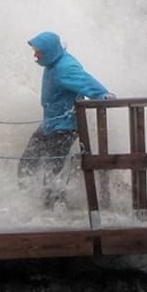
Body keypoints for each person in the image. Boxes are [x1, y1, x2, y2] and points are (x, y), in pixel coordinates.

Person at [19, 31, 113, 205]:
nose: (35, 55)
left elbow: (85, 82)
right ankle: (28, 201)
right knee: (28, 161)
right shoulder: (52, 63)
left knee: (53, 170)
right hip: (50, 124)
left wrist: (103, 95)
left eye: (38, 51)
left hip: (65, 127)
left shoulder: (65, 67)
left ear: (49, 51)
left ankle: (55, 209)